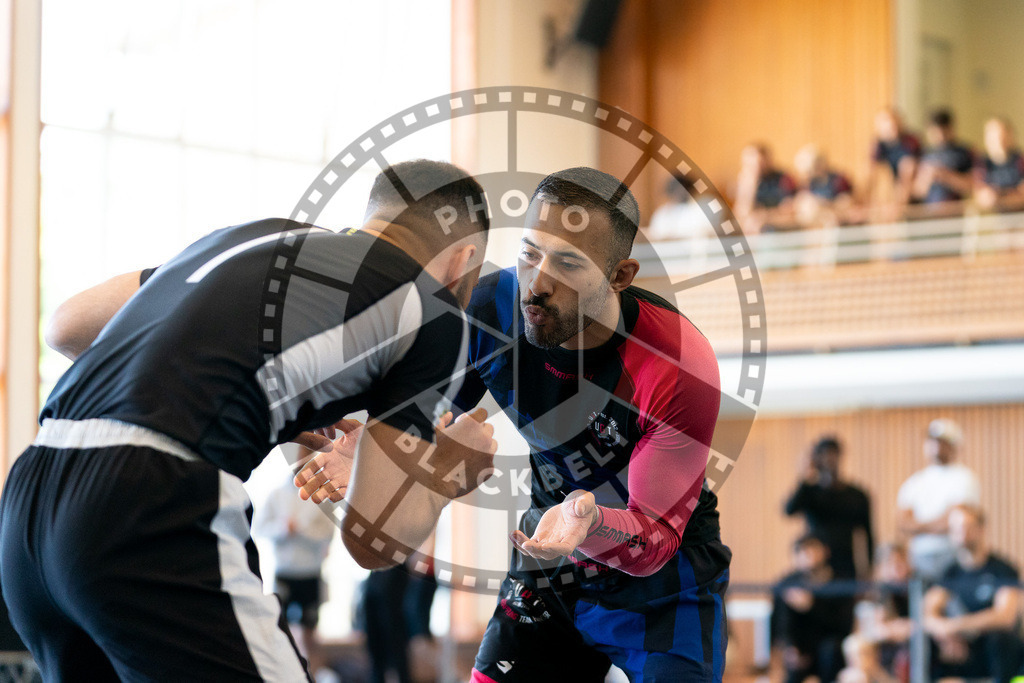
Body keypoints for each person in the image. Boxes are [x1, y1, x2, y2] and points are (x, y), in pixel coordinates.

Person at [0, 159, 498, 680]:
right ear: (463, 260)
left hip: (32, 500)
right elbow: (371, 543)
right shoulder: (429, 310)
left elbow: (66, 326)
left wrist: (261, 402)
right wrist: (449, 470)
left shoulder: (253, 239)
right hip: (144, 501)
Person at [452, 167, 729, 682]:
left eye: (568, 264)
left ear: (621, 276)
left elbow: (655, 541)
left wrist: (594, 523)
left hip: (663, 583)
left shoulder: (678, 363)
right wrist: (371, 443)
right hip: (549, 556)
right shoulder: (490, 307)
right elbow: (428, 418)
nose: (536, 284)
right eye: (530, 253)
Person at [251, 459, 340, 678]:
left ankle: (312, 675)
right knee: (282, 631)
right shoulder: (276, 494)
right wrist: (283, 530)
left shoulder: (321, 497)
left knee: (309, 633)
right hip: (285, 571)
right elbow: (259, 528)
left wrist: (301, 529)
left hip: (310, 572)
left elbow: (328, 534)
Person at [923, 505, 1024, 683]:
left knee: (1001, 638)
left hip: (991, 649)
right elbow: (928, 613)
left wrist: (956, 627)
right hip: (960, 649)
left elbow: (1005, 617)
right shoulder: (949, 572)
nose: (962, 533)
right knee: (924, 639)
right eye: (956, 528)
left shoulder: (1002, 569)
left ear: (981, 529)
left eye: (967, 527)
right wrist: (945, 635)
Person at [896, 419, 980, 581]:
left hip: (952, 555)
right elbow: (903, 522)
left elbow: (954, 519)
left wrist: (919, 526)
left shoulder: (964, 478)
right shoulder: (914, 482)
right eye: (932, 441)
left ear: (954, 445)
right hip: (919, 557)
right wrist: (935, 524)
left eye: (942, 442)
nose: (935, 446)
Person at [784, 435, 873, 580]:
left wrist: (868, 571)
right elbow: (789, 510)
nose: (829, 459)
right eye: (823, 454)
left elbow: (868, 535)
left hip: (846, 566)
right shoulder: (810, 492)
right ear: (816, 459)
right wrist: (805, 477)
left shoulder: (857, 495)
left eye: (832, 453)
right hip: (814, 567)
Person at [772, 534, 856, 683]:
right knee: (792, 664)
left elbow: (844, 626)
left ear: (825, 551)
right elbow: (781, 624)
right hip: (801, 650)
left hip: (829, 648)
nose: (808, 556)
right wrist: (790, 647)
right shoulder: (788, 583)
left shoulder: (840, 582)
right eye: (803, 551)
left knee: (830, 650)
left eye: (813, 550)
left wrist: (812, 606)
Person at [912, 109, 975, 206]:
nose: (940, 136)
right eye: (935, 132)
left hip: (955, 210)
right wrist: (927, 178)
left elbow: (972, 185)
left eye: (943, 131)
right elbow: (917, 191)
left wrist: (945, 176)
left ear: (950, 129)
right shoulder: (924, 154)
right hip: (929, 211)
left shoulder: (963, 152)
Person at [734, 143, 798, 233]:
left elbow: (791, 211)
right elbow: (742, 214)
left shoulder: (783, 179)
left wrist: (765, 216)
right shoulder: (746, 182)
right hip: (756, 228)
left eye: (759, 162)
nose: (756, 166)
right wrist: (749, 187)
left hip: (779, 227)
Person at [868, 107, 921, 212]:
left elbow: (908, 173)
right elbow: (871, 173)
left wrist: (897, 204)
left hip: (918, 185)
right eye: (886, 123)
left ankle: (898, 209)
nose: (892, 126)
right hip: (898, 185)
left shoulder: (910, 141)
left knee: (906, 166)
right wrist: (868, 202)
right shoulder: (879, 144)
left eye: (893, 122)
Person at [792, 144, 856, 228]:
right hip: (817, 220)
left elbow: (847, 202)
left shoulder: (838, 180)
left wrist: (825, 205)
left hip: (837, 219)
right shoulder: (808, 184)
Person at [974, 116, 1024, 212]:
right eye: (993, 136)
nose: (999, 141)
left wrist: (1000, 199)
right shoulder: (982, 164)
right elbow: (980, 195)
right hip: (995, 219)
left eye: (1002, 136)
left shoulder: (1020, 161)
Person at [647, 171, 713, 242]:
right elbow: (654, 235)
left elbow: (705, 234)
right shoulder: (662, 213)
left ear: (689, 190)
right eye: (676, 190)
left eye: (682, 190)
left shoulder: (699, 210)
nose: (679, 193)